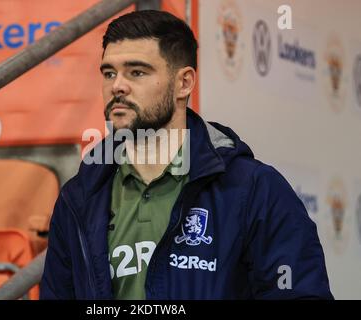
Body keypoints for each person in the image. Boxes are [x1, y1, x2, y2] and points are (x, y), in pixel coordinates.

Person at [40, 10, 333, 300]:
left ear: (184, 83)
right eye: (109, 73)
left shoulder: (255, 189)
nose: (117, 86)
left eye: (137, 72)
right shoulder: (78, 198)